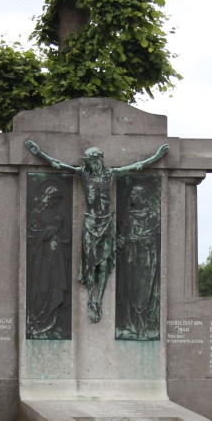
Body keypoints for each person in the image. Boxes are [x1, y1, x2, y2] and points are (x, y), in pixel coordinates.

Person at [25, 140, 169, 323]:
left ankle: (98, 300)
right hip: (90, 223)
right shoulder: (83, 174)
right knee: (91, 264)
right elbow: (57, 164)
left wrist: (157, 157)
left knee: (103, 264)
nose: (92, 164)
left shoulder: (111, 174)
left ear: (100, 159)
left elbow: (137, 167)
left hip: (106, 222)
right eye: (89, 162)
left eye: (94, 161)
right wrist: (39, 153)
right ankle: (90, 300)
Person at [26, 183, 72, 339]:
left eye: (57, 201)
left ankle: (53, 324)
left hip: (57, 259)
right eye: (53, 200)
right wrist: (55, 229)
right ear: (47, 198)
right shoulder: (37, 214)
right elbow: (36, 236)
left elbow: (66, 238)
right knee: (42, 290)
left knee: (56, 289)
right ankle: (38, 323)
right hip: (42, 260)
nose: (55, 203)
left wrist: (61, 232)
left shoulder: (57, 216)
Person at [117, 184, 161, 339]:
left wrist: (138, 239)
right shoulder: (127, 215)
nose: (131, 197)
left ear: (142, 197)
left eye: (134, 194)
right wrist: (122, 241)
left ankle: (143, 326)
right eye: (130, 194)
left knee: (143, 291)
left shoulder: (152, 216)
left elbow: (154, 238)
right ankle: (129, 326)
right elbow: (121, 235)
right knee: (129, 289)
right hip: (130, 257)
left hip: (146, 259)